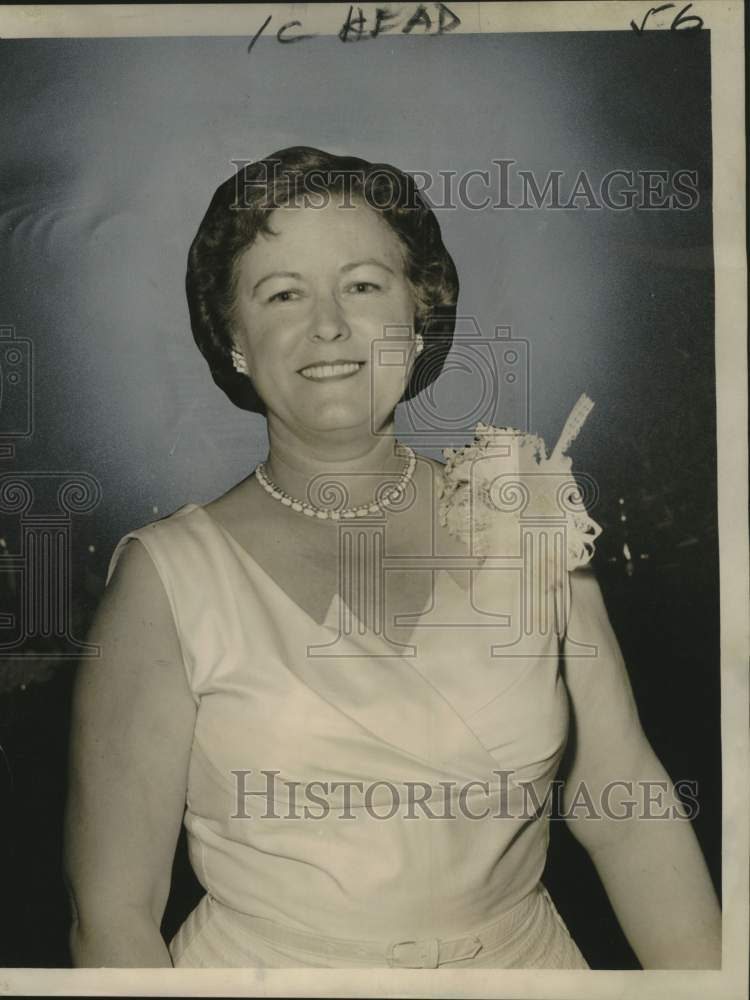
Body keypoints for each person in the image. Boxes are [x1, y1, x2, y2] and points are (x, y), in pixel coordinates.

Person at [63, 146, 721, 969]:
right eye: (282, 294)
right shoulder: (166, 580)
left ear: (419, 317)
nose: (329, 324)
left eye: (363, 285)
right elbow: (113, 916)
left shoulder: (524, 518)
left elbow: (625, 809)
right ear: (234, 339)